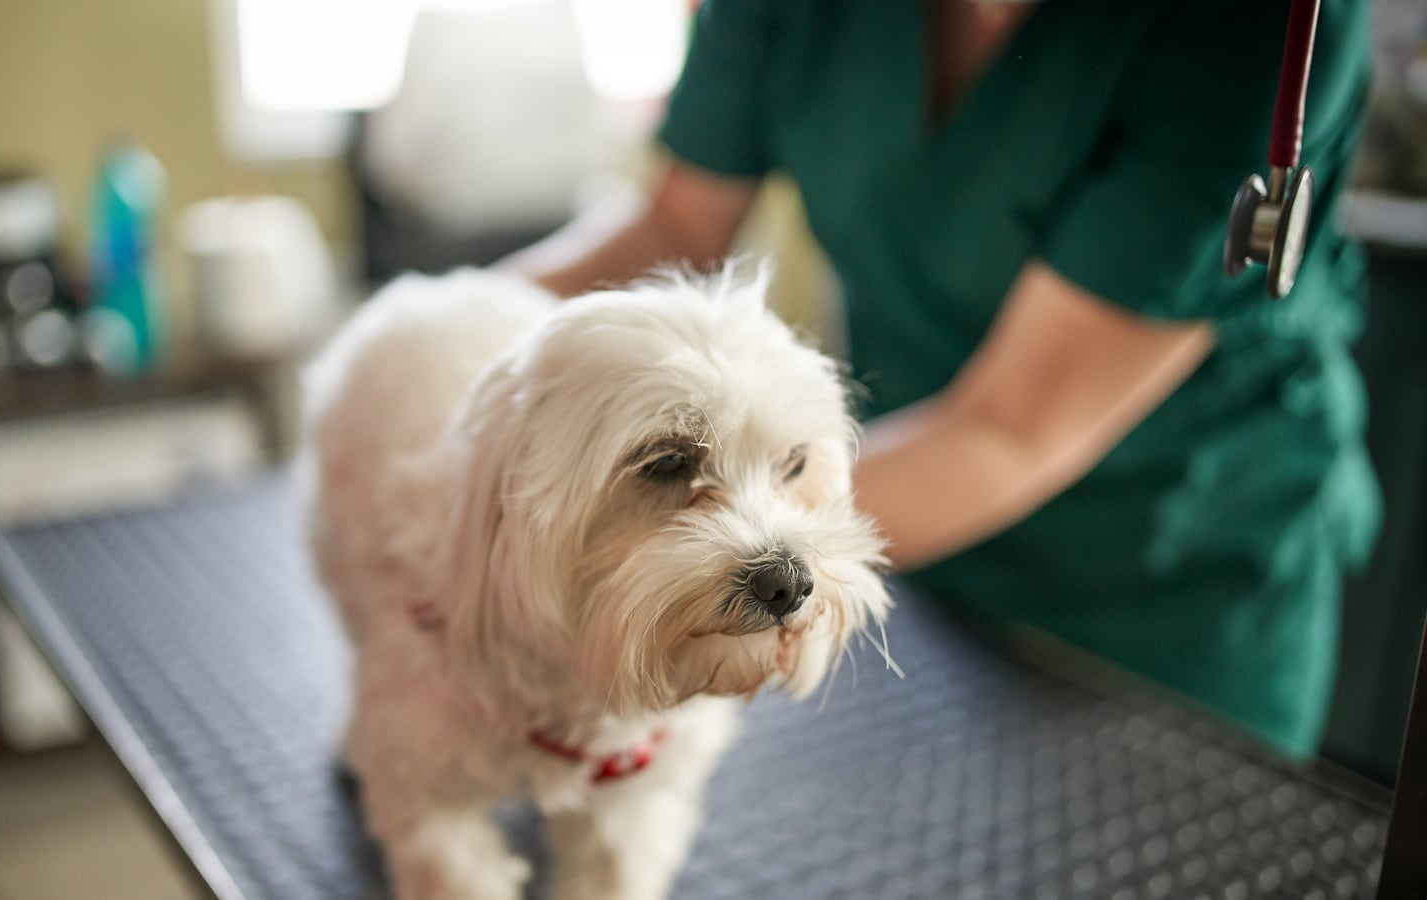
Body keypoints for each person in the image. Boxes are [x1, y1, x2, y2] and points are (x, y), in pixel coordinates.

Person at [499, 0, 1379, 759]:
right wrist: (431, 338)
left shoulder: (1255, 27)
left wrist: (667, 569)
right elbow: (671, 223)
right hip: (901, 561)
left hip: (1173, 590)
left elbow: (1010, 429)